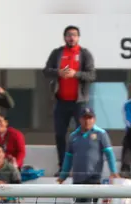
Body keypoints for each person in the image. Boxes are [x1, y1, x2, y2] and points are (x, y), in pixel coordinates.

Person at [56, 107, 118, 204]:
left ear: (94, 119)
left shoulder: (101, 134)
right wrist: (63, 175)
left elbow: (109, 154)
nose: (87, 121)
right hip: (78, 179)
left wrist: (113, 171)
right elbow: (68, 157)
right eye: (85, 118)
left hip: (93, 178)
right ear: (80, 119)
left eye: (90, 118)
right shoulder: (74, 136)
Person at [44, 25, 96, 167]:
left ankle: (82, 165)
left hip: (79, 102)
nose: (71, 37)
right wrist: (58, 72)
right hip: (61, 101)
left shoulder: (85, 54)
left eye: (74, 35)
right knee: (60, 134)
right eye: (68, 35)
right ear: (64, 37)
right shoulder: (57, 53)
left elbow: (92, 75)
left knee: (83, 134)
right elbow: (46, 71)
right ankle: (63, 166)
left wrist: (75, 74)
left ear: (78, 37)